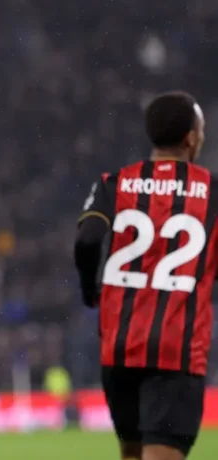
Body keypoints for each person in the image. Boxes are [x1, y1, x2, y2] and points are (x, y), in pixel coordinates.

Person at [74, 91, 213, 460]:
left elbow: (88, 240)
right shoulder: (212, 193)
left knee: (132, 455)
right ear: (191, 138)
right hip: (175, 350)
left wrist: (90, 291)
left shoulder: (114, 183)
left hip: (120, 348)